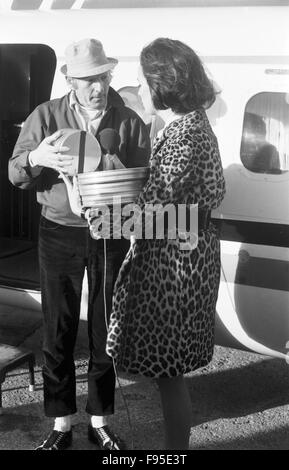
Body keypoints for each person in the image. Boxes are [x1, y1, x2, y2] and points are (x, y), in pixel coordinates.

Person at [64, 37, 226, 450]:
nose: (138, 90)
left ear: (162, 83)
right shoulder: (188, 126)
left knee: (170, 376)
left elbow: (154, 217)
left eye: (141, 81)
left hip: (176, 271)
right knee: (169, 375)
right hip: (185, 257)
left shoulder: (184, 136)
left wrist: (94, 212)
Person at [8, 38, 150, 450]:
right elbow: (15, 174)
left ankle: (100, 421)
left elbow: (146, 182)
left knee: (108, 328)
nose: (97, 86)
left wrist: (123, 175)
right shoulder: (46, 116)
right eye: (87, 79)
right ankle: (61, 423)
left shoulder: (129, 121)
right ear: (70, 79)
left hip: (111, 227)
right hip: (59, 229)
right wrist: (38, 159)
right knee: (59, 329)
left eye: (102, 77)